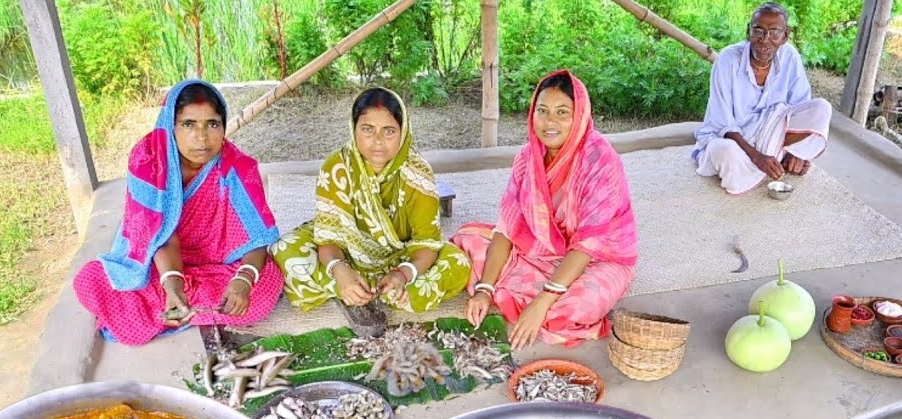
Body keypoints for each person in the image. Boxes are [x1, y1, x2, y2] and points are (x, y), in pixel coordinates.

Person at [73, 79, 282, 345]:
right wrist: (173, 286)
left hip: (218, 264)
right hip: (159, 263)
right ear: (170, 126)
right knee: (91, 280)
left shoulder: (237, 167)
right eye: (188, 124)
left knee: (264, 288)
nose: (202, 138)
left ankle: (168, 313)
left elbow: (257, 238)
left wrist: (244, 280)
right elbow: (157, 236)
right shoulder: (148, 161)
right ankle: (186, 307)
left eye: (212, 124)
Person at [453, 70, 637, 350]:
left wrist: (541, 302)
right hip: (539, 251)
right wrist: (485, 289)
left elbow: (587, 246)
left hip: (597, 258)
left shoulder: (601, 160)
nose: (550, 122)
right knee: (468, 244)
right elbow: (507, 227)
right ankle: (514, 293)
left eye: (562, 112)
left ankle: (532, 300)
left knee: (580, 307)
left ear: (579, 116)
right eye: (542, 111)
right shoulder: (527, 158)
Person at [271, 88, 470, 312]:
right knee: (284, 249)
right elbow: (329, 240)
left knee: (458, 262)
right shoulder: (336, 167)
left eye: (388, 131)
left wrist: (403, 274)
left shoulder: (418, 174)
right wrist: (339, 270)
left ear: (403, 132)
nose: (377, 141)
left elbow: (426, 245)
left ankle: (368, 291)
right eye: (367, 130)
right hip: (346, 251)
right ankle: (356, 288)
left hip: (400, 257)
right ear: (353, 129)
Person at [693, 2, 832, 194]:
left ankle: (783, 157)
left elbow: (800, 106)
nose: (765, 40)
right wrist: (757, 156)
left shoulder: (789, 56)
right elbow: (722, 121)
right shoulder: (728, 59)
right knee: (722, 151)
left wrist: (797, 152)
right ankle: (767, 162)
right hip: (735, 140)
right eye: (758, 31)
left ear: (785, 36)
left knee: (821, 109)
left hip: (771, 135)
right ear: (748, 31)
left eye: (774, 32)